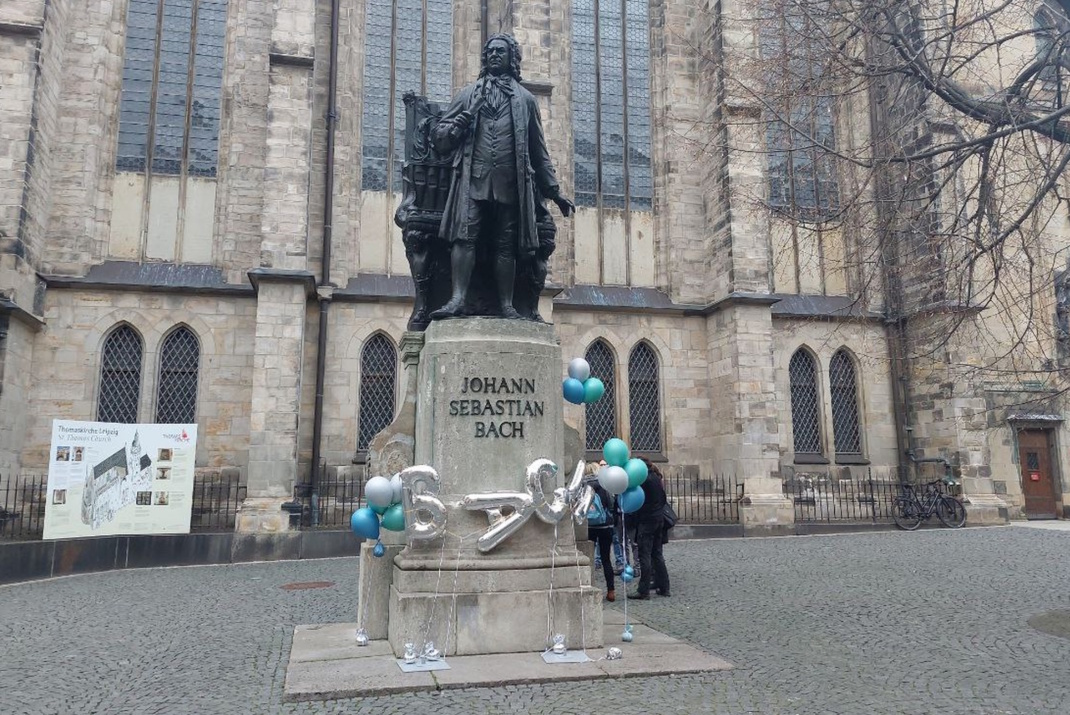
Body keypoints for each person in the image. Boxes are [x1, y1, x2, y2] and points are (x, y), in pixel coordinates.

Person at [430, 34, 574, 320]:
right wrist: (460, 122)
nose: (495, 55)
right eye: (491, 51)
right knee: (464, 236)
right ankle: (457, 298)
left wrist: (554, 191)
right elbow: (439, 138)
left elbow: (538, 150)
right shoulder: (468, 94)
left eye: (501, 51)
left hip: (511, 183)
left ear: (512, 58)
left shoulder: (526, 100)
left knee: (505, 244)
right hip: (473, 180)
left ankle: (507, 305)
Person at [630, 459, 670, 599]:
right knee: (657, 554)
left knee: (644, 555)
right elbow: (663, 499)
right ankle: (664, 587)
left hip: (647, 521)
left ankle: (643, 590)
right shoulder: (655, 477)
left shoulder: (643, 480)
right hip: (658, 519)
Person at [586, 480, 618, 602]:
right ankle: (611, 591)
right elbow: (612, 505)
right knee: (606, 559)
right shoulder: (607, 486)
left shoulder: (587, 487)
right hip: (606, 526)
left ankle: (589, 586)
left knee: (588, 558)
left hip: (590, 526)